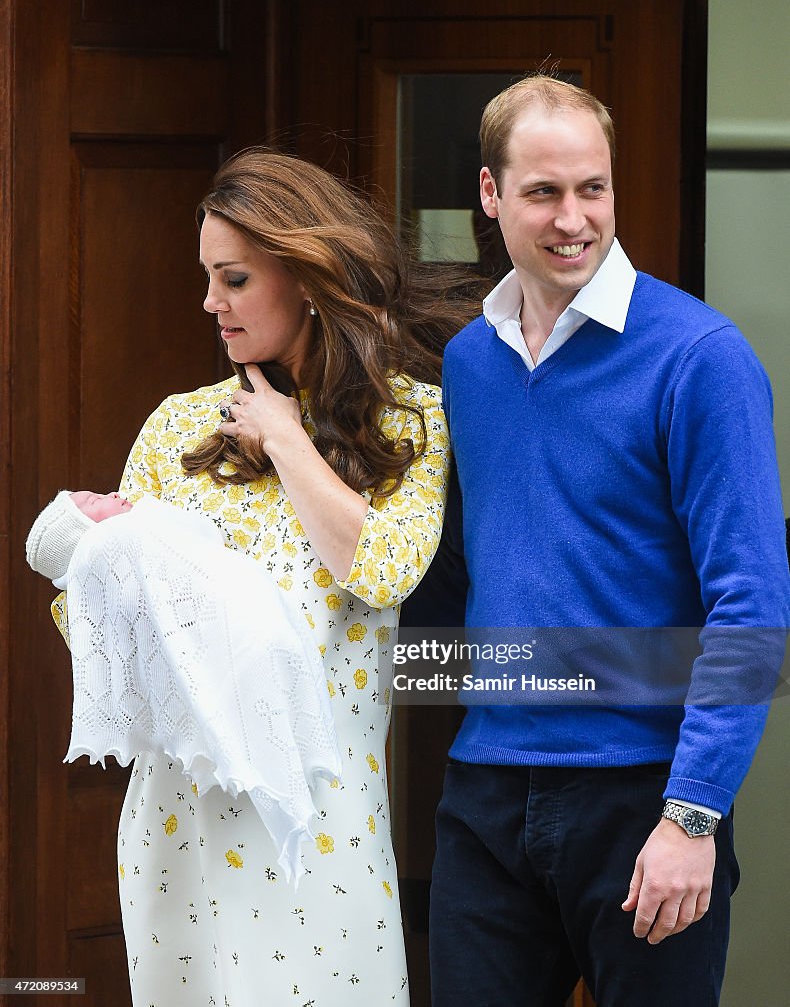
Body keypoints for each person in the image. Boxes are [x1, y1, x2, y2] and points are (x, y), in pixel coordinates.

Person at [41, 147, 479, 1006]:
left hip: (326, 831)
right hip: (179, 828)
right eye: (208, 277)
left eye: (234, 278)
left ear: (306, 277)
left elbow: (383, 570)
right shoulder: (176, 427)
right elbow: (89, 626)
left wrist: (286, 438)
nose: (211, 302)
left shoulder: (410, 419)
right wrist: (101, 557)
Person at [429, 75, 790, 1006]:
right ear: (490, 194)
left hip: (646, 796)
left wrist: (694, 813)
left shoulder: (700, 359)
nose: (572, 218)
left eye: (593, 188)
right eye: (544, 192)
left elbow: (750, 603)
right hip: (487, 791)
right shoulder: (469, 362)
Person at [26, 488, 342, 885]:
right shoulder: (118, 543)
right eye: (92, 503)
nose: (112, 493)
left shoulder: (134, 538)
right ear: (85, 534)